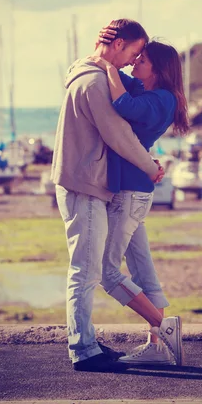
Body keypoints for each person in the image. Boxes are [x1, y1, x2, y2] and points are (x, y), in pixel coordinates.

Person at [52, 18, 165, 372]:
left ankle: (85, 341)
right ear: (118, 45)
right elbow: (117, 134)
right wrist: (150, 166)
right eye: (134, 51)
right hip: (84, 184)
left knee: (88, 269)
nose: (134, 60)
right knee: (86, 271)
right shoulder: (95, 82)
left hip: (85, 182)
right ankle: (84, 350)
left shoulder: (90, 73)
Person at [91, 25, 190, 366]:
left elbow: (122, 103)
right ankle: (159, 349)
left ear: (159, 69)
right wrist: (105, 62)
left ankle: (163, 327)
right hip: (134, 192)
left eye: (142, 60)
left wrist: (106, 66)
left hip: (131, 195)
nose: (134, 65)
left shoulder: (161, 99)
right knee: (143, 271)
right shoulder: (149, 91)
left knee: (107, 271)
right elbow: (122, 85)